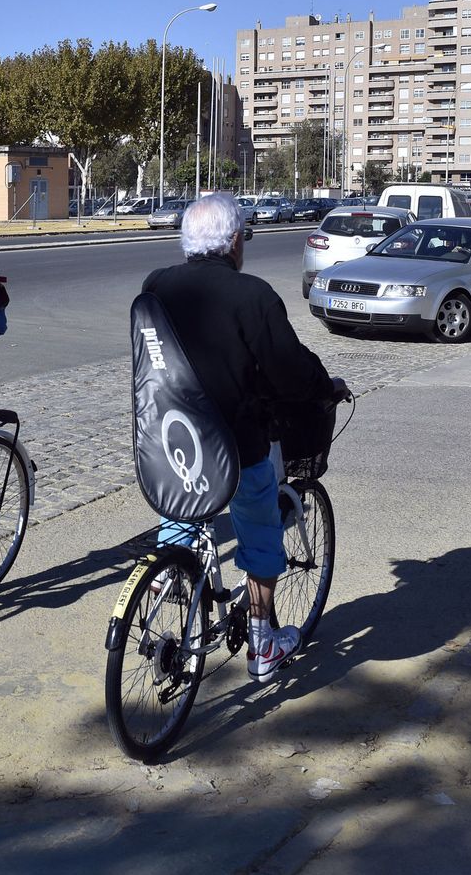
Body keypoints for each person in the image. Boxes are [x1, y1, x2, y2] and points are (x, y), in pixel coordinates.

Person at [142, 193, 346, 682]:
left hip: (169, 440)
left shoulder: (156, 287)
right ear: (235, 241)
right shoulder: (252, 295)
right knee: (260, 534)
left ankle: (172, 567)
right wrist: (326, 388)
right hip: (236, 445)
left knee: (184, 499)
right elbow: (290, 370)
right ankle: (262, 645)